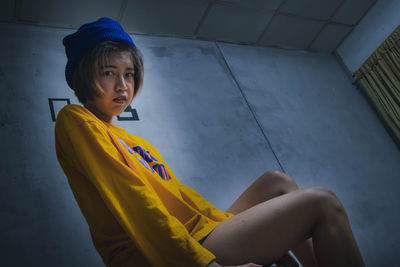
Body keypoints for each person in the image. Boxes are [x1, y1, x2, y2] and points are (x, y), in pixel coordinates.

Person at [55, 17, 365, 267]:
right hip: (153, 253)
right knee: (323, 202)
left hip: (197, 230)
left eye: (129, 73)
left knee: (277, 182)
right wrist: (205, 264)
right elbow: (138, 206)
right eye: (108, 72)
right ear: (84, 76)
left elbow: (183, 203)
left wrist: (266, 235)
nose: (123, 86)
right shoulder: (76, 121)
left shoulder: (137, 142)